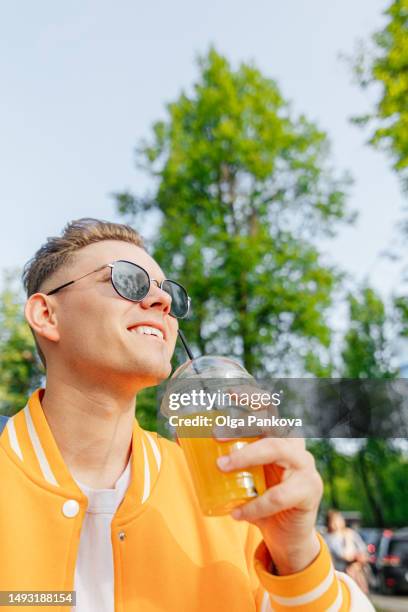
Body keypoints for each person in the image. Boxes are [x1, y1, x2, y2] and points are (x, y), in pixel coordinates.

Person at [0, 218, 374, 611]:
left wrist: (295, 555)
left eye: (170, 295)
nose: (162, 302)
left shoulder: (227, 493)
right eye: (128, 281)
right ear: (46, 315)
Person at [325, 510, 370, 594]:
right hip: (340, 577)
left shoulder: (351, 533)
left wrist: (357, 564)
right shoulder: (330, 538)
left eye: (339, 520)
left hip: (356, 575)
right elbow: (346, 555)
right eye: (334, 520)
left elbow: (364, 553)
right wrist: (348, 539)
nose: (337, 523)